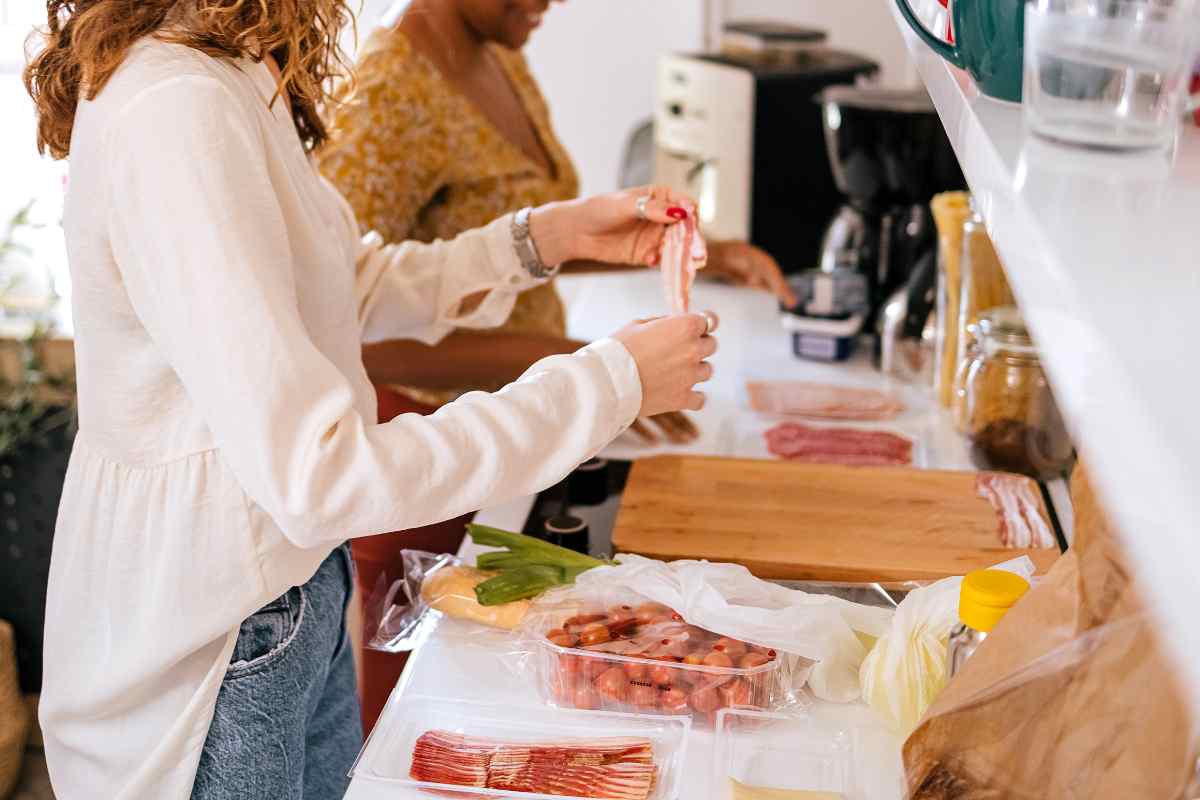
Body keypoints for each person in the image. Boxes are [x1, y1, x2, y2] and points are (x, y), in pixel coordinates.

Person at [22, 1, 718, 797]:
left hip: (289, 591)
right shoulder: (174, 106)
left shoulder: (230, 64)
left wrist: (538, 240)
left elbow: (335, 286)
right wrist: (609, 382)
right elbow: (320, 477)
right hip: (219, 640)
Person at [318, 0, 797, 730]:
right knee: (419, 720)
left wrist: (668, 254)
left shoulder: (498, 51)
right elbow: (349, 325)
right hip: (428, 454)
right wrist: (581, 364)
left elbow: (486, 264)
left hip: (524, 427)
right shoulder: (386, 92)